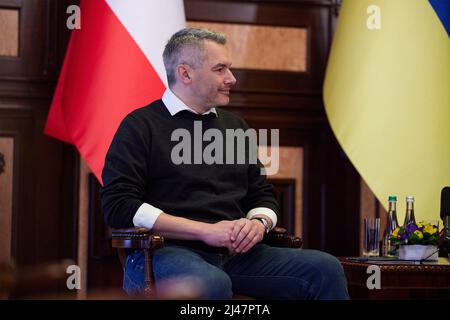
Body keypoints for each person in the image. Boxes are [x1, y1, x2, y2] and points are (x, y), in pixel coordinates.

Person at [101, 28, 349, 300]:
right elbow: (119, 205)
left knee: (325, 268)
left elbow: (262, 194)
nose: (231, 78)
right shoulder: (139, 126)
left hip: (236, 255)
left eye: (228, 69)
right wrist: (205, 232)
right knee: (210, 284)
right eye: (220, 69)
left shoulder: (235, 127)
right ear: (185, 74)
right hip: (162, 253)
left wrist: (258, 224)